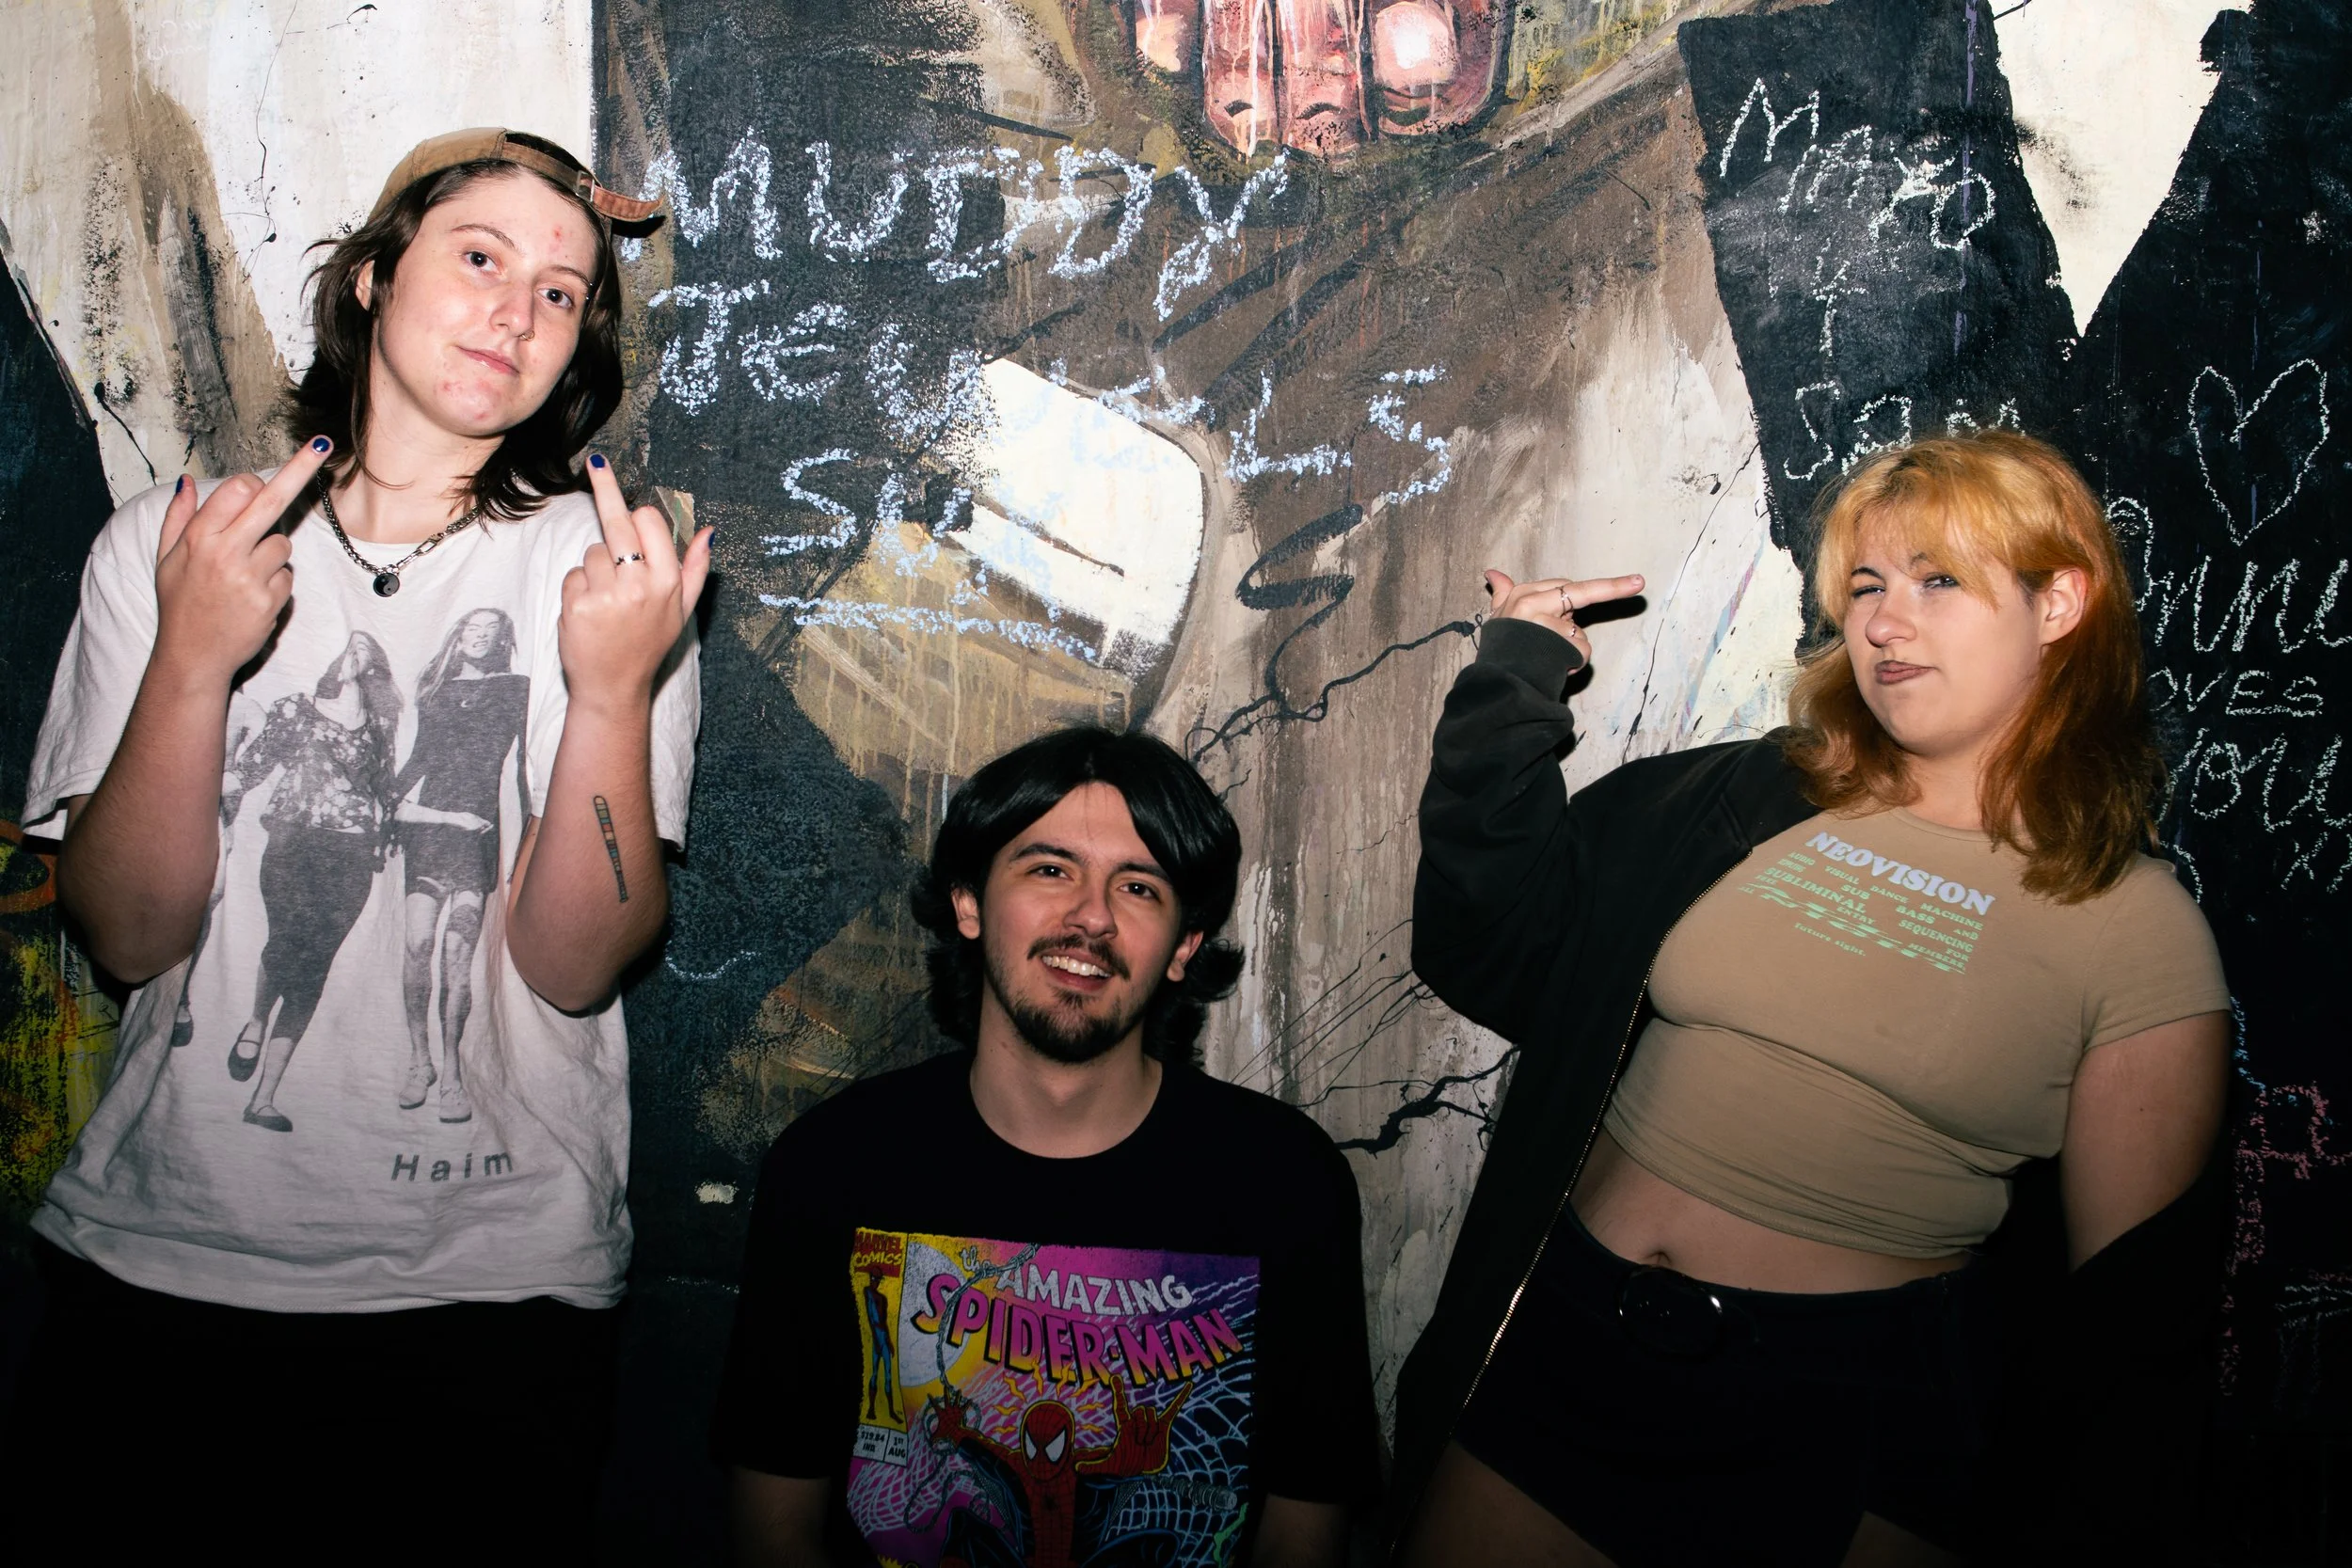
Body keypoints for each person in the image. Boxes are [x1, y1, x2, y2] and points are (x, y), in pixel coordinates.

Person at [5, 129, 707, 1551]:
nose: (520, 310)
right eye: (482, 258)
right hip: (155, 1267)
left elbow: (575, 966)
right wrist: (197, 659)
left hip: (489, 1302)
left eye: (564, 292)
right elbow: (129, 932)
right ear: (376, 280)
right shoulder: (177, 542)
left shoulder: (607, 566)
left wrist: (616, 684)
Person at [1391, 431, 2231, 1567]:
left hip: (1842, 1419)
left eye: (1938, 579)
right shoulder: (1739, 798)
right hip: (1573, 1340)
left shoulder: (2137, 928)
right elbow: (1484, 938)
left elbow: (2129, 1338)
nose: (1884, 622)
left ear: (2058, 602)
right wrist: (1513, 681)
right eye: (1868, 586)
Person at [712, 726, 1383, 1568]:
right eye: (1049, 868)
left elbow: (1305, 1528)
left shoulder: (1287, 1183)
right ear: (969, 901)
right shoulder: (832, 1167)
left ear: (1181, 946)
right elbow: (774, 1520)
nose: (1092, 916)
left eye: (1139, 886)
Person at [228, 629, 404, 1131]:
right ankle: (257, 1021)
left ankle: (263, 1099)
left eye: (366, 651)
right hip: (292, 841)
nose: (356, 655)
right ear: (338, 661)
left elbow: (385, 792)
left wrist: (386, 843)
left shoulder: (379, 728)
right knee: (286, 944)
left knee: (315, 969)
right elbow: (252, 766)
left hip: (350, 852)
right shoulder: (296, 709)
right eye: (350, 649)